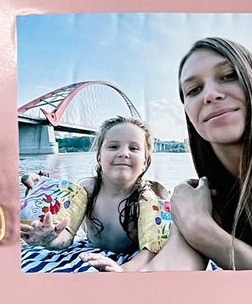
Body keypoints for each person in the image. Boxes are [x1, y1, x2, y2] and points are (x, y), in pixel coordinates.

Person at [143, 36, 252, 271]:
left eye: (229, 76)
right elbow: (165, 271)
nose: (211, 95)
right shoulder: (201, 197)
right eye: (194, 90)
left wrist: (201, 230)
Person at [23, 117, 172, 273]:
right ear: (99, 156)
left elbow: (151, 252)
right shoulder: (87, 189)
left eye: (134, 148)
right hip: (90, 250)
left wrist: (122, 270)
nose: (123, 153)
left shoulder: (147, 198)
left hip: (132, 260)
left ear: (145, 162)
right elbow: (66, 238)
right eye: (113, 146)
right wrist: (50, 238)